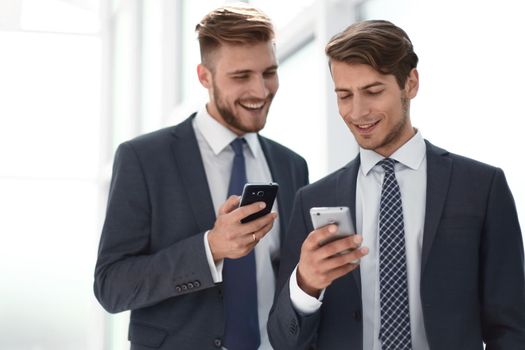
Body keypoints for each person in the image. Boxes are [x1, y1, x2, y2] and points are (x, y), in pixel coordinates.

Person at [267, 19, 525, 350]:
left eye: (373, 91)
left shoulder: (481, 187)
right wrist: (306, 285)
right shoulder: (311, 200)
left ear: (410, 83)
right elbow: (282, 341)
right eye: (344, 95)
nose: (357, 111)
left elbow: (512, 327)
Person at [93, 4, 308, 349]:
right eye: (241, 77)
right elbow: (111, 286)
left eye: (269, 72)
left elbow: (289, 279)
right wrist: (210, 248)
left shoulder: (291, 165)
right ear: (204, 77)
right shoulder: (145, 159)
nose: (261, 90)